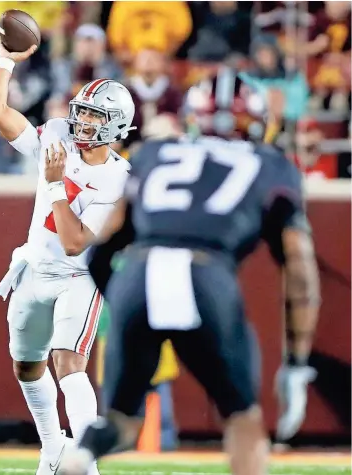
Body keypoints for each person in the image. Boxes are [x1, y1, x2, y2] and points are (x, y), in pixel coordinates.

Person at [58, 68, 321, 475]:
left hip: (139, 273)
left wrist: (124, 302)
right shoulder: (273, 165)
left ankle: (80, 455)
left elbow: (103, 246)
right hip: (206, 275)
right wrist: (297, 360)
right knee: (243, 420)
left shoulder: (154, 153)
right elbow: (300, 272)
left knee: (122, 422)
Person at [0, 33, 136, 475]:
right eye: (82, 111)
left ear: (115, 124)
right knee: (26, 366)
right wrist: (4, 63)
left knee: (69, 363)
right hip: (33, 266)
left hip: (78, 276)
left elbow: (74, 241)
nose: (82, 121)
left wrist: (53, 184)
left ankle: (86, 463)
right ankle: (53, 447)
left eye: (94, 115)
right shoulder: (55, 134)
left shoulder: (118, 179)